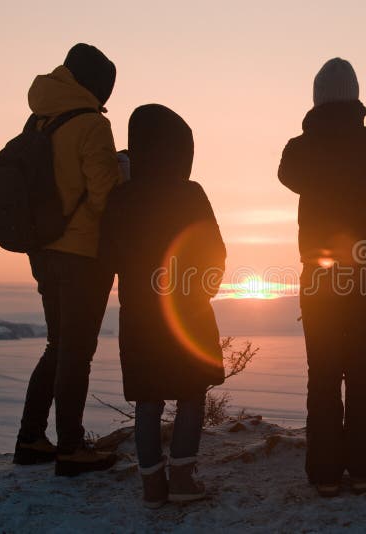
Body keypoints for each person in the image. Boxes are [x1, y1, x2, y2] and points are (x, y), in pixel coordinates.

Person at [279, 58, 366, 497]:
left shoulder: (302, 148)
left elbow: (287, 175)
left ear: (317, 99)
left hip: (320, 276)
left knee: (323, 371)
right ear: (355, 97)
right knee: (363, 370)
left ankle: (325, 473)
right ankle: (365, 470)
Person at [99, 104, 226, 508]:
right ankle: (183, 479)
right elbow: (215, 250)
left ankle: (152, 485)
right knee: (191, 392)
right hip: (187, 312)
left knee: (148, 397)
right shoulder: (190, 194)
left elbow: (107, 256)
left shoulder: (121, 198)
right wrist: (203, 290)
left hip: (138, 315)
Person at [13, 43, 122, 476]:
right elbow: (104, 198)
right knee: (77, 352)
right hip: (81, 255)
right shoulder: (91, 125)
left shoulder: (40, 117)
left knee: (58, 346)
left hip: (43, 251)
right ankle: (72, 448)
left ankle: (31, 438)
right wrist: (122, 172)